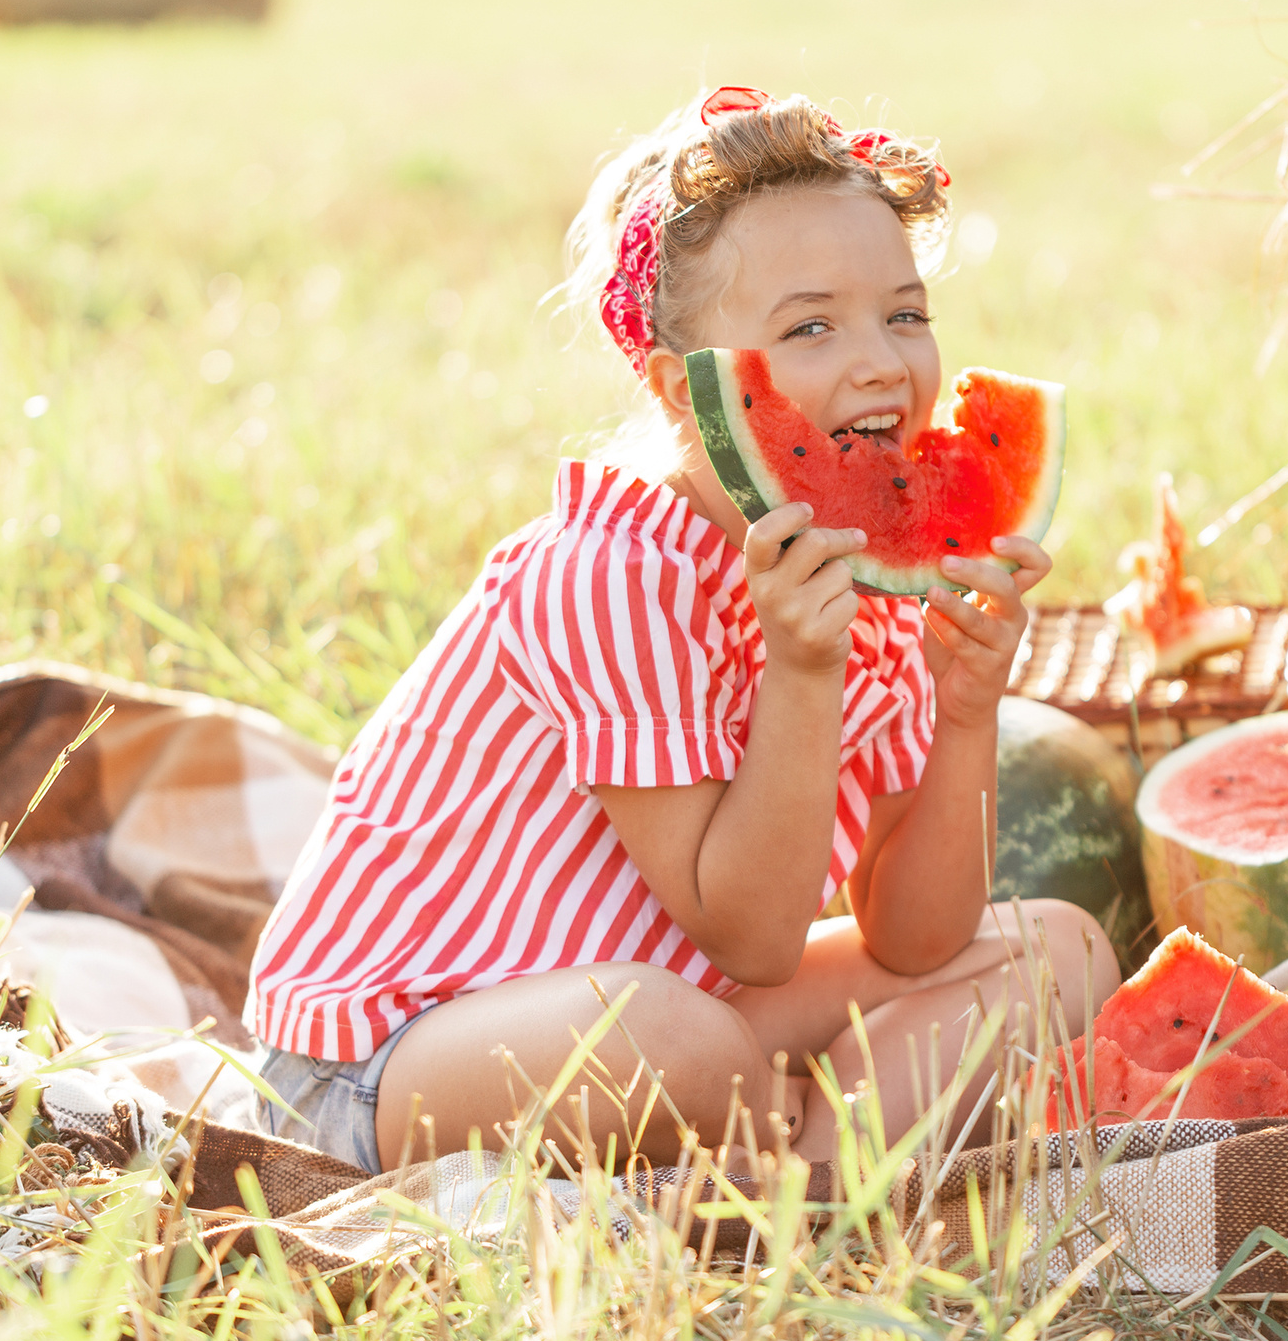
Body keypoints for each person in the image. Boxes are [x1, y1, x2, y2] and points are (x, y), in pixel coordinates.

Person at [246, 86, 1119, 1173]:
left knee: (1062, 952)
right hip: (385, 1061)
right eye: (810, 327)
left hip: (675, 1006)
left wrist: (967, 712)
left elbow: (913, 936)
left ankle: (801, 1174)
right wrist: (803, 672)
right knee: (677, 1044)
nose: (884, 364)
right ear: (679, 389)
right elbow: (752, 934)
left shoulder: (865, 578)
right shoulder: (608, 574)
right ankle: (794, 1146)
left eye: (905, 314)